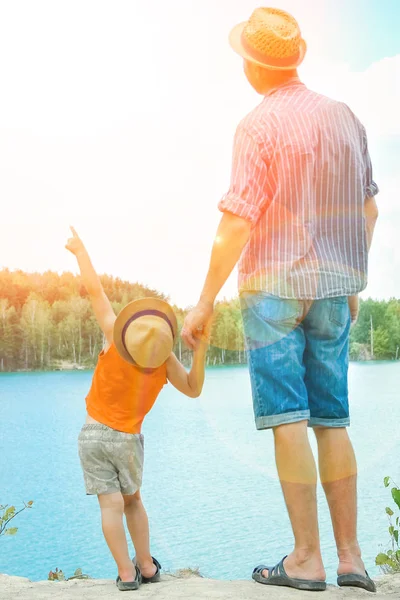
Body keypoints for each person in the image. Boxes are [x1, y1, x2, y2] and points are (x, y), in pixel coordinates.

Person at [182, 6, 379, 594]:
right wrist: (353, 281)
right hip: (333, 289)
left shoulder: (257, 126)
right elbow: (367, 207)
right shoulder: (346, 117)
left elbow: (238, 219)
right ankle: (351, 559)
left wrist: (203, 301)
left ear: (254, 65)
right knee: (332, 419)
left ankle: (305, 559)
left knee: (289, 418)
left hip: (272, 288)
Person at [66, 226, 207, 592]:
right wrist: (201, 350)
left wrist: (80, 251)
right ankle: (147, 565)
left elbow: (95, 291)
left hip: (92, 435)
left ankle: (126, 575)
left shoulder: (114, 334)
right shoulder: (163, 362)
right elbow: (193, 388)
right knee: (133, 502)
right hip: (127, 441)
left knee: (109, 506)